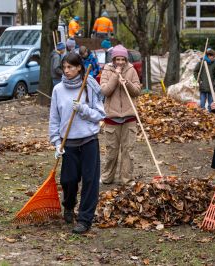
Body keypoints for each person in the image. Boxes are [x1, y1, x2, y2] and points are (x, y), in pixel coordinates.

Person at [49, 52, 106, 234]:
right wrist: (57, 142)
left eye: (70, 67)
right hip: (69, 144)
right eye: (64, 67)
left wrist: (83, 110)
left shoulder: (89, 86)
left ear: (79, 67)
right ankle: (68, 205)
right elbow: (54, 119)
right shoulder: (58, 90)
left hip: (89, 141)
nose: (66, 71)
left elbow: (100, 115)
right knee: (68, 180)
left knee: (90, 181)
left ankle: (84, 219)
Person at [100, 45, 141, 185]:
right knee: (111, 151)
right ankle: (107, 177)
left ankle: (126, 179)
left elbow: (136, 91)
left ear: (126, 59)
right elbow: (105, 91)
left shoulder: (131, 70)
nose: (120, 62)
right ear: (113, 59)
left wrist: (127, 83)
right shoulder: (106, 70)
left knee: (128, 151)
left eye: (123, 59)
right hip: (112, 118)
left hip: (129, 117)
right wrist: (115, 76)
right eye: (117, 59)